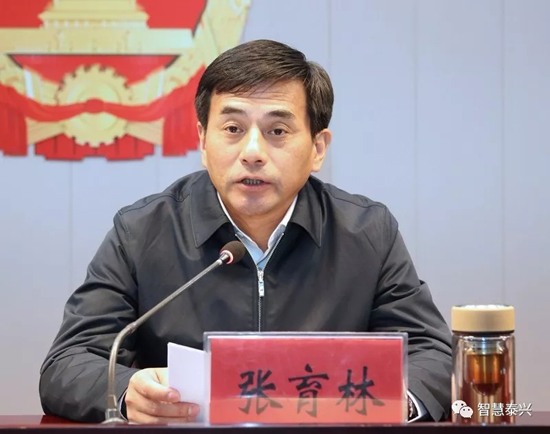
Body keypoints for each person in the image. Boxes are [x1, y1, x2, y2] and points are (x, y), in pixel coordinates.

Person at [39, 39, 452, 424]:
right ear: (203, 141)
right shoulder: (142, 232)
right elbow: (68, 363)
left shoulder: (366, 233)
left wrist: (390, 402)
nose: (252, 153)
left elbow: (433, 354)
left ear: (318, 148)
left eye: (277, 131)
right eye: (233, 129)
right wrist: (129, 391)